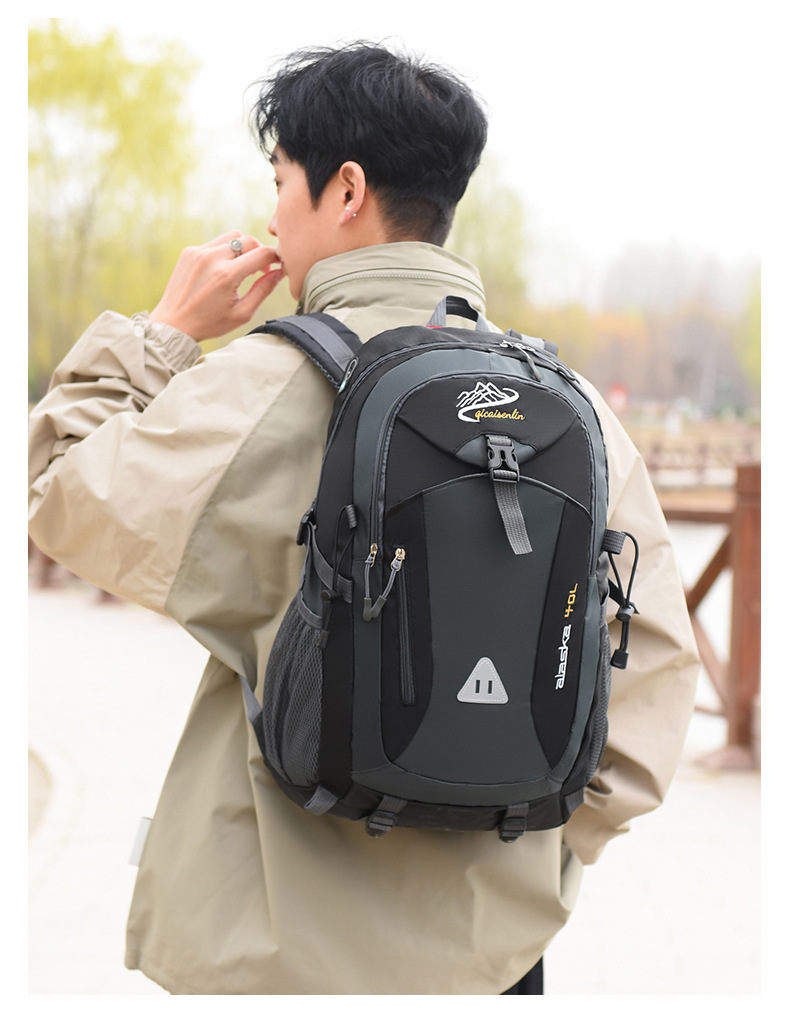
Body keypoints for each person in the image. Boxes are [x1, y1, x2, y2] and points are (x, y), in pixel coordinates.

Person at [27, 42, 699, 995]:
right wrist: (515, 863)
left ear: (345, 190)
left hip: (271, 958)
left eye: (280, 181)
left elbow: (55, 490)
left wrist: (164, 332)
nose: (271, 215)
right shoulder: (573, 411)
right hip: (493, 963)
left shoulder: (261, 386)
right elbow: (654, 678)